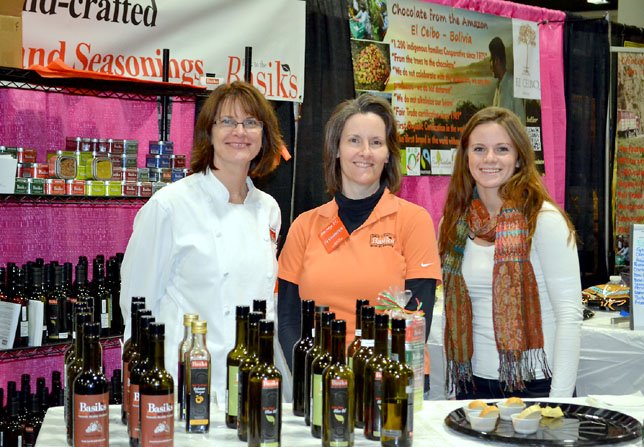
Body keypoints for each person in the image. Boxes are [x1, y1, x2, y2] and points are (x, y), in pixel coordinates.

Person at [119, 81, 285, 406]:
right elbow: (138, 306)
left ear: (264, 135)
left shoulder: (268, 209)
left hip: (249, 382)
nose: (240, 131)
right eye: (227, 121)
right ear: (208, 133)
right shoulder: (170, 206)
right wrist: (139, 393)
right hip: (184, 382)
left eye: (251, 122)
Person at [277, 93, 441, 367]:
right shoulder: (304, 226)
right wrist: (318, 376)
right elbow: (288, 321)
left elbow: (416, 320)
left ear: (388, 154)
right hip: (321, 382)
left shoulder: (414, 220)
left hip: (390, 384)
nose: (365, 152)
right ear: (337, 149)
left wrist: (367, 380)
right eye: (354, 140)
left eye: (376, 142)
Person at [438, 106, 581, 399]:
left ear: (518, 159)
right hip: (472, 383)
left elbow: (569, 315)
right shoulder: (453, 224)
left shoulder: (543, 219)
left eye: (502, 149)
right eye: (479, 149)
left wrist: (561, 400)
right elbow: (450, 313)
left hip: (537, 383)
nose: (489, 158)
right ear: (466, 158)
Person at [489, 37, 526, 124]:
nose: (489, 65)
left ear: (496, 61)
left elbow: (521, 121)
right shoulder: (498, 87)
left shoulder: (513, 85)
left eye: (490, 60)